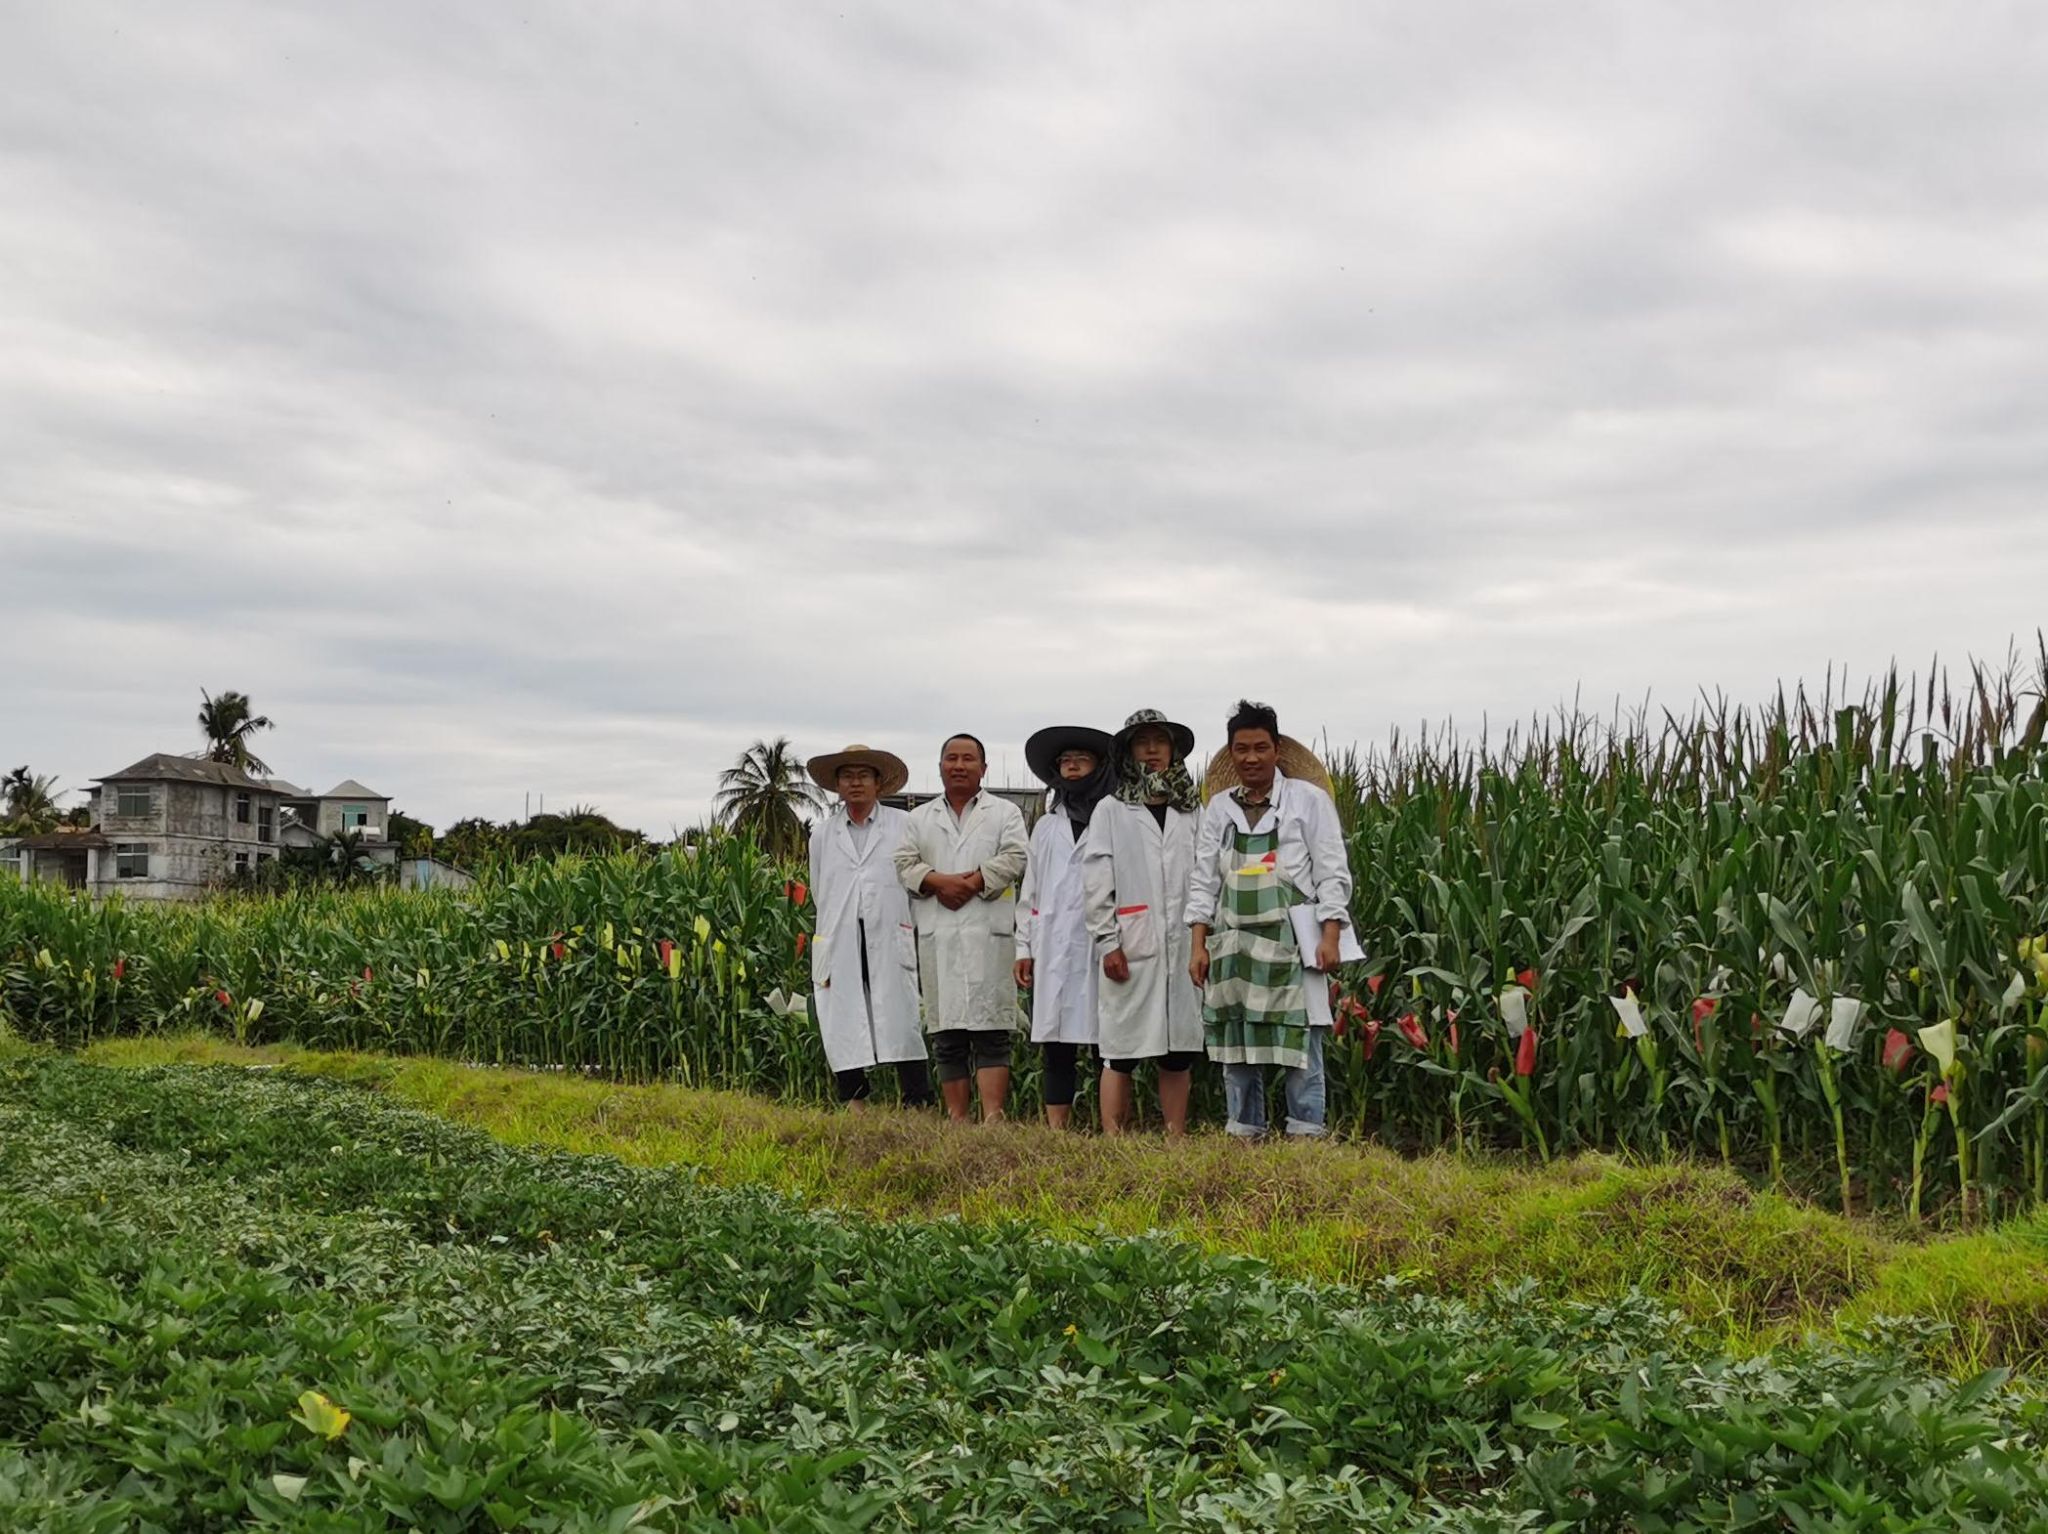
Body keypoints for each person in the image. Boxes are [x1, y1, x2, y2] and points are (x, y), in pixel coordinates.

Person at [1187, 700, 1354, 1139]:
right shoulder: (1219, 809)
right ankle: (1245, 1135)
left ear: (1276, 749)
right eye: (1242, 749)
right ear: (1231, 753)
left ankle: (1305, 1138)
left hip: (1295, 940)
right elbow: (1204, 880)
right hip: (1233, 943)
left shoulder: (1308, 802)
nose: (1252, 758)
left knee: (1302, 1044)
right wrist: (1198, 945)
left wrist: (1331, 936)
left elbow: (1332, 872)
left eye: (1261, 747)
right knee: (1236, 1044)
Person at [894, 733, 1030, 1123]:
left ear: (983, 768)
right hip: (940, 933)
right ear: (939, 768)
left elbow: (1017, 856)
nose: (959, 765)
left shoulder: (1005, 813)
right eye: (951, 758)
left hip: (989, 932)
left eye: (968, 759)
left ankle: (993, 1117)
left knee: (991, 1031)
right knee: (947, 1033)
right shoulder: (919, 818)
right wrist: (939, 882)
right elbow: (903, 863)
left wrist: (972, 883)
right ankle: (957, 1118)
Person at [1083, 709, 1205, 1136]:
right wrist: (1107, 942)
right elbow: (1096, 880)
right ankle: (1114, 1141)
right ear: (1128, 752)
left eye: (1160, 741)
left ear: (1173, 750)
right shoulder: (1112, 809)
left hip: (1183, 945)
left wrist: (1202, 938)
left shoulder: (1192, 809)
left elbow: (1207, 876)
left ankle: (1175, 1138)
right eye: (1142, 742)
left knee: (1178, 1050)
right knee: (1121, 1049)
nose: (1152, 750)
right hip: (1131, 945)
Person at [804, 744, 932, 1110]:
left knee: (903, 1015)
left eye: (863, 776)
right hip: (840, 936)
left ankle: (916, 1102)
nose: (855, 783)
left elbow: (916, 879)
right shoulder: (823, 835)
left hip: (891, 932)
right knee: (842, 1018)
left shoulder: (903, 826)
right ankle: (854, 1101)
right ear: (837, 785)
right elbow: (819, 889)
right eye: (847, 776)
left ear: (878, 783)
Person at [1015, 724, 1115, 1130]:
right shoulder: (1046, 825)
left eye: (1081, 760)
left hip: (1102, 941)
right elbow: (1031, 890)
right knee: (1056, 1040)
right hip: (1053, 943)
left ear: (1098, 767)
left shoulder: (1115, 817)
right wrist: (1024, 947)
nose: (1072, 767)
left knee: (1105, 1037)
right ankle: (1058, 1129)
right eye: (1065, 761)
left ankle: (1109, 1124)